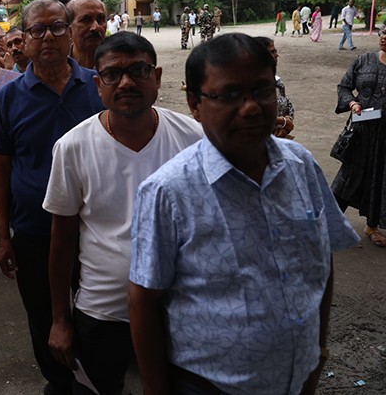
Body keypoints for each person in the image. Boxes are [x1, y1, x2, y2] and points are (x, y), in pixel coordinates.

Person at [128, 33, 360, 395]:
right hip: (209, 386)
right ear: (195, 103)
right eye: (230, 94)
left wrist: (318, 351)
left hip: (298, 377)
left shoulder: (302, 166)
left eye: (263, 90)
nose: (251, 107)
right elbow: (143, 303)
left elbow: (320, 263)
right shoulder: (167, 192)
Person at [44, 32, 203, 395]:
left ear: (158, 77)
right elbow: (62, 238)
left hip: (177, 307)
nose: (127, 82)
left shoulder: (193, 138)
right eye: (113, 74)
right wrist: (59, 320)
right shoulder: (72, 147)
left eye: (139, 70)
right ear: (98, 84)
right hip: (103, 310)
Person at [0, 0, 104, 395]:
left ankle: (96, 381)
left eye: (57, 27)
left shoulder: (96, 87)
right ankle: (59, 384)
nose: (49, 37)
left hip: (95, 231)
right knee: (43, 317)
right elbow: (1, 167)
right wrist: (4, 235)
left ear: (70, 32)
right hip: (34, 231)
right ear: (25, 38)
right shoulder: (9, 97)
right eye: (38, 30)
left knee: (96, 316)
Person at [332, 27, 386, 248]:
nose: (384, 37)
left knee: (380, 178)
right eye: (384, 33)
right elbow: (344, 87)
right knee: (348, 176)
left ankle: (372, 225)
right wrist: (352, 103)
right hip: (362, 131)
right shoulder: (364, 60)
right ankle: (328, 223)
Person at [257, 37, 295, 139]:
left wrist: (287, 121)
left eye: (275, 51)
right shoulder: (248, 86)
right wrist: (282, 122)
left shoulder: (277, 82)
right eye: (272, 52)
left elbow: (287, 104)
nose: (276, 55)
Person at [67, 0, 107, 69]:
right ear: (69, 30)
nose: (96, 27)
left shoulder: (118, 63)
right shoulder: (57, 65)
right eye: (86, 20)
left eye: (100, 19)